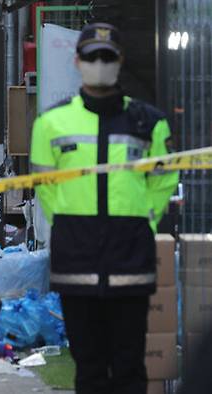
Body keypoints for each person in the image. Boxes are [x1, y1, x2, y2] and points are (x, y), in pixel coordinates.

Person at [30, 23, 179, 394]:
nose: (100, 63)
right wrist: (65, 221)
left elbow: (163, 180)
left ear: (119, 61)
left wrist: (144, 219)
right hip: (76, 261)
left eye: (107, 57)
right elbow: (44, 186)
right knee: (89, 368)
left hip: (130, 260)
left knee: (130, 368)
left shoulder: (149, 122)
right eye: (93, 56)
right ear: (78, 61)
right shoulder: (50, 123)